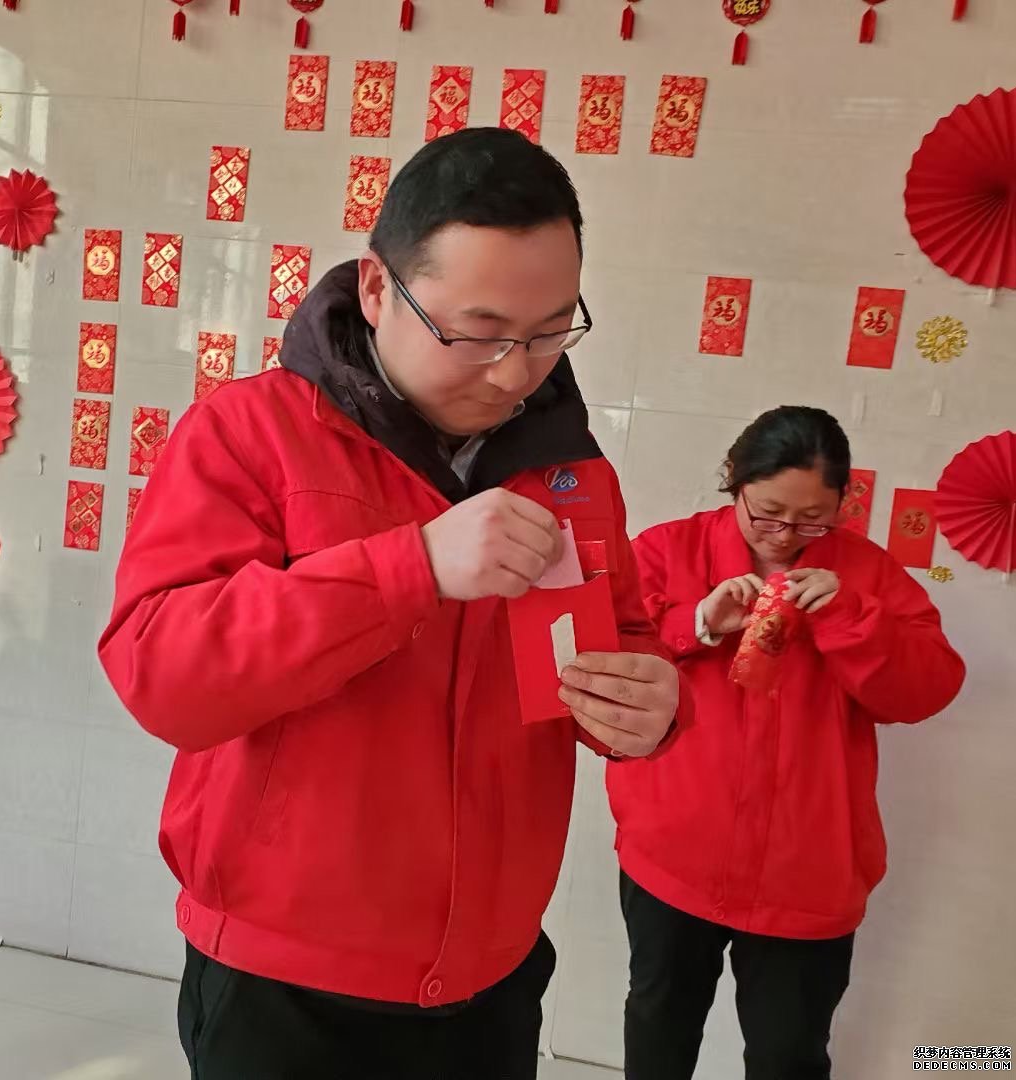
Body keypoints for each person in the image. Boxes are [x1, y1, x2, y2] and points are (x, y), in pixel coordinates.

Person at [99, 127, 680, 1079]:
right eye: (479, 333)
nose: (516, 372)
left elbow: (614, 646)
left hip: (489, 977)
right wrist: (410, 567)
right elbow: (164, 675)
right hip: (286, 986)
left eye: (550, 332)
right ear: (378, 289)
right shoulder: (247, 435)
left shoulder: (571, 473)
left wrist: (646, 703)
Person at [611, 406, 965, 1080]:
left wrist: (850, 617)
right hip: (676, 851)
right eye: (768, 513)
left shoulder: (866, 574)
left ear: (842, 504)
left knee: (789, 1056)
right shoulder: (667, 550)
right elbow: (605, 654)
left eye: (812, 520)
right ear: (733, 480)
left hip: (808, 871)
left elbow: (927, 690)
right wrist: (698, 621)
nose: (785, 535)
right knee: (659, 1029)